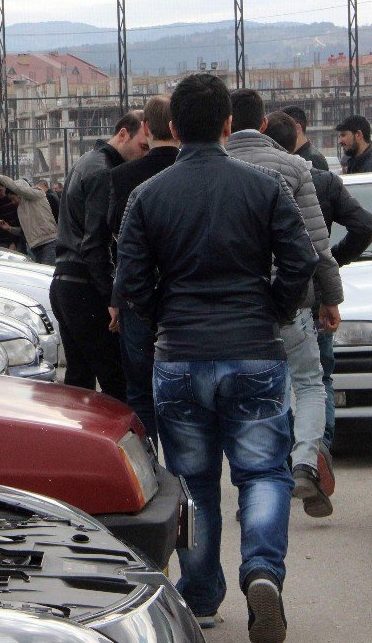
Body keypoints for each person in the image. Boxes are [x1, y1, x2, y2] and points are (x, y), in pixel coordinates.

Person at [116, 73, 318, 643]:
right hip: (253, 348)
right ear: (229, 125)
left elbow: (130, 279)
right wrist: (272, 310)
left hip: (179, 353)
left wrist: (163, 319)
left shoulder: (147, 196)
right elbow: (299, 261)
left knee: (193, 482)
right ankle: (262, 572)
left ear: (172, 129)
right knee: (262, 472)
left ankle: (201, 594)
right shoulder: (262, 187)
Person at [227, 98, 343, 519]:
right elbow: (316, 243)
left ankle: (260, 481)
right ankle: (306, 462)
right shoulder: (294, 168)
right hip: (290, 300)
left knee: (252, 394)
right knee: (309, 382)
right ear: (263, 122)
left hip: (238, 305)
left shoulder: (216, 168)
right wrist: (330, 297)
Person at [50, 110, 148, 400]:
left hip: (66, 281)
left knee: (79, 379)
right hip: (85, 287)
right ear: (122, 134)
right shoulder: (104, 172)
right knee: (115, 378)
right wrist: (110, 296)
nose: (144, 155)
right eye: (143, 146)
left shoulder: (87, 162)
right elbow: (95, 243)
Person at [104, 95, 180, 447]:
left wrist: (118, 296)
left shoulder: (122, 177)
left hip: (137, 294)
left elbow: (118, 241)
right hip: (182, 294)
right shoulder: (188, 170)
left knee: (139, 389)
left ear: (146, 128)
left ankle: (150, 466)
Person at [304, 143, 372, 484]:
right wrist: (337, 258)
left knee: (276, 385)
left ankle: (280, 465)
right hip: (315, 300)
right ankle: (319, 451)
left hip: (266, 304)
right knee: (318, 379)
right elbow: (363, 225)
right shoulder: (325, 183)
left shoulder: (256, 177)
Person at [0, 171, 57, 264]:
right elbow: (24, 232)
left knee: (47, 273)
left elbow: (15, 187)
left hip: (48, 242)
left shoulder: (36, 194)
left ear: (19, 193)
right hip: (35, 247)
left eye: (13, 199)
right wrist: (9, 228)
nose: (13, 202)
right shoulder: (21, 209)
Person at [280, 105, 329, 170]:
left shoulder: (313, 159)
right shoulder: (302, 155)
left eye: (283, 128)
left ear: (297, 129)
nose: (280, 133)